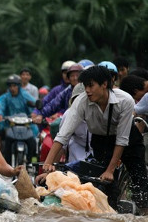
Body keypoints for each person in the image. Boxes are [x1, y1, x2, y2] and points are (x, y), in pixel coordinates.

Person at [43, 66, 148, 212]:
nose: (87, 90)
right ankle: (109, 217)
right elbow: (63, 135)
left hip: (128, 139)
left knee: (140, 183)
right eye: (85, 86)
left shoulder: (125, 100)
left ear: (104, 84)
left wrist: (110, 170)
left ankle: (143, 217)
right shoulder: (81, 101)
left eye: (91, 85)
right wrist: (47, 164)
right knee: (103, 187)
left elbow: (122, 139)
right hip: (100, 141)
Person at [0, 74, 39, 163]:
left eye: (14, 86)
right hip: (9, 126)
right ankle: (5, 164)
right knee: (4, 139)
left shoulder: (25, 95)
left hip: (26, 126)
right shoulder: (5, 97)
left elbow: (34, 105)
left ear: (18, 86)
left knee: (32, 142)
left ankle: (30, 163)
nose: (12, 88)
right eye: (10, 86)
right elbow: (1, 107)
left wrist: (34, 114)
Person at [59, 83, 92, 162]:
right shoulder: (68, 115)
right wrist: (52, 167)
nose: (80, 104)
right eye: (77, 101)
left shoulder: (98, 113)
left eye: (84, 100)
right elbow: (61, 142)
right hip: (76, 154)